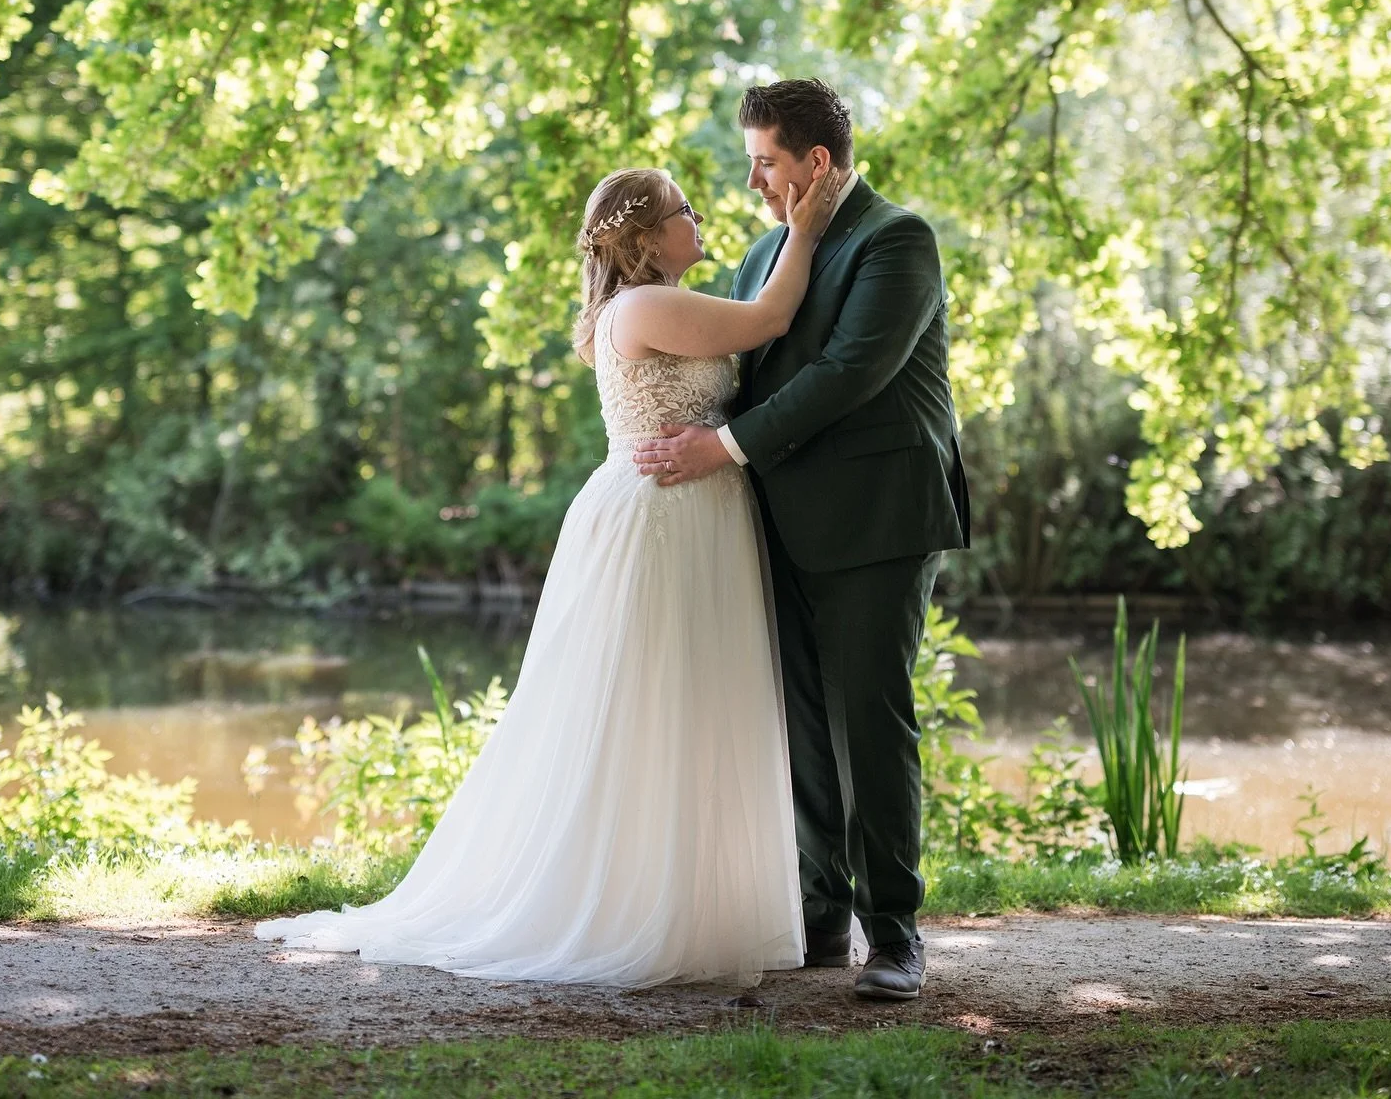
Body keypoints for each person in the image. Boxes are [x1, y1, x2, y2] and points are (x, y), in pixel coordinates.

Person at [255, 161, 840, 986]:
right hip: (664, 518)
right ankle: (629, 904)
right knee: (654, 702)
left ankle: (689, 901)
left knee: (694, 704)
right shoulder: (644, 305)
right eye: (684, 210)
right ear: (644, 237)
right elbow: (772, 315)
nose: (699, 217)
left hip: (697, 509)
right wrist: (807, 225)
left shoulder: (644, 303)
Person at [635, 79, 970, 1002]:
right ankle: (822, 917)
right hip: (774, 520)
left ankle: (895, 934)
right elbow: (740, 370)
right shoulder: (758, 256)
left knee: (871, 721)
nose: (751, 182)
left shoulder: (898, 240)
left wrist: (725, 449)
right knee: (802, 727)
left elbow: (851, 371)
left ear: (815, 162)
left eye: (765, 162)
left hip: (876, 520)